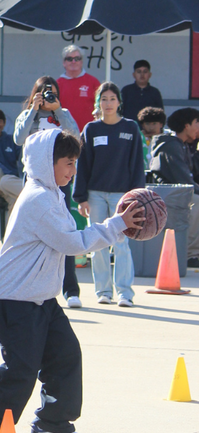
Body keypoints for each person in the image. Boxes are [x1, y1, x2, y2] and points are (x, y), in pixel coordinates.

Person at [0, 129, 145, 433]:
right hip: (15, 299)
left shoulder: (53, 194)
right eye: (68, 163)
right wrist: (117, 225)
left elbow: (72, 238)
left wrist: (114, 228)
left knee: (65, 356)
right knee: (21, 368)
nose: (72, 171)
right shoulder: (39, 200)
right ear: (48, 163)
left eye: (75, 163)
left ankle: (53, 424)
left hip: (41, 298)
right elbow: (73, 243)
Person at [74, 81, 146, 307]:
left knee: (122, 243)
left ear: (119, 102)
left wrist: (136, 196)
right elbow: (82, 165)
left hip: (122, 196)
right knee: (98, 244)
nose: (108, 103)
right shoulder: (91, 129)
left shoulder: (131, 128)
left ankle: (125, 293)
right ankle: (103, 292)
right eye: (103, 99)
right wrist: (81, 197)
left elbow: (137, 164)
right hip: (95, 195)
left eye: (112, 99)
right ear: (97, 103)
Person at [13, 76, 82, 309]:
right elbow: (18, 138)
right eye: (43, 93)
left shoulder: (62, 114)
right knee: (31, 232)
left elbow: (76, 136)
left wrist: (59, 111)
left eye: (52, 93)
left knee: (65, 229)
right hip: (34, 181)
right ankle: (29, 284)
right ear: (35, 94)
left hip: (61, 180)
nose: (47, 97)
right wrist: (33, 110)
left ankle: (71, 290)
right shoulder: (27, 115)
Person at [148, 108, 199, 269]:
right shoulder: (171, 147)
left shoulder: (183, 146)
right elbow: (184, 179)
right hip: (168, 194)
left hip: (176, 192)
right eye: (197, 123)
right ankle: (190, 254)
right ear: (186, 126)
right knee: (197, 202)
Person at [56, 44, 100, 133]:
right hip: (65, 134)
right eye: (69, 59)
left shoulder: (93, 82)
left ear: (82, 62)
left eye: (77, 58)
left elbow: (100, 107)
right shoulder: (57, 84)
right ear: (64, 63)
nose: (73, 61)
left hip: (89, 133)